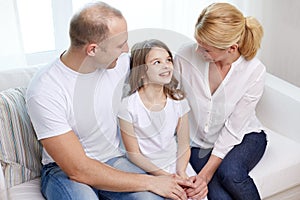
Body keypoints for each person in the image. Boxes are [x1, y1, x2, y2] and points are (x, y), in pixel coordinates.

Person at [26, 2, 192, 200]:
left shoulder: (119, 63)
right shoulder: (45, 89)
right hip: (63, 171)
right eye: (120, 44)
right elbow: (78, 169)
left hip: (114, 159)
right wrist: (152, 181)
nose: (127, 50)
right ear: (93, 50)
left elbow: (158, 65)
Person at [174, 2, 267, 200]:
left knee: (230, 174)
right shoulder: (184, 56)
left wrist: (205, 175)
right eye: (198, 42)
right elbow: (173, 103)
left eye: (206, 49)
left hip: (244, 136)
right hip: (199, 143)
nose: (198, 51)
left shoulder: (254, 71)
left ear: (231, 48)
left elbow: (234, 129)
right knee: (218, 196)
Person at [118, 39, 197, 181]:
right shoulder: (128, 106)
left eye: (168, 60)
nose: (166, 66)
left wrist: (181, 172)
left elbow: (184, 145)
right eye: (157, 62)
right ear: (141, 71)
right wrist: (166, 177)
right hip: (146, 170)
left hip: (177, 166)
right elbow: (133, 154)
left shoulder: (178, 100)